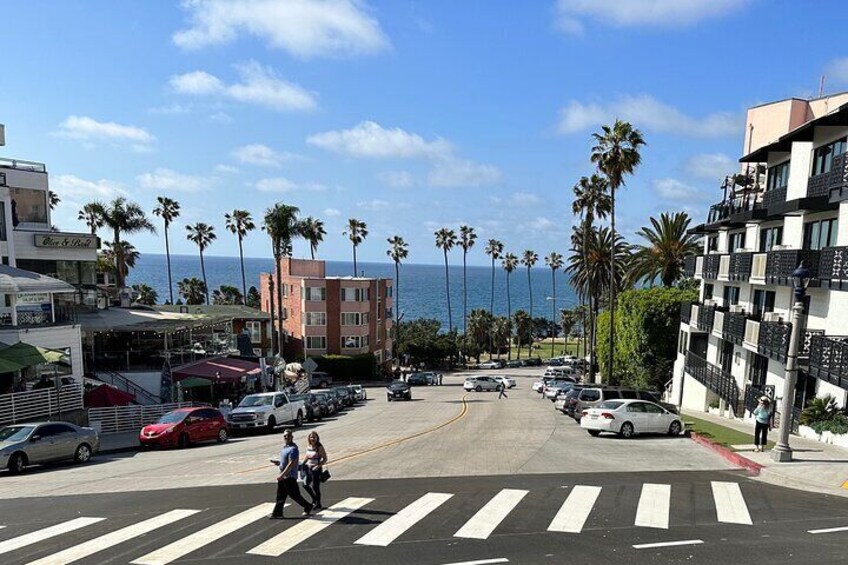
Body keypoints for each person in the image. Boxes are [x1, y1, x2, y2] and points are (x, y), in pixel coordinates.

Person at [270, 429, 313, 519]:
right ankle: (277, 513)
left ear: (292, 437)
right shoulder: (284, 448)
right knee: (280, 495)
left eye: (288, 436)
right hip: (283, 476)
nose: (286, 437)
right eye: (285, 436)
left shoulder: (293, 449)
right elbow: (285, 462)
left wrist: (282, 474)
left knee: (294, 495)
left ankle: (308, 506)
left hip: (289, 476)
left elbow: (292, 463)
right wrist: (278, 463)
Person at [302, 431, 328, 510]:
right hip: (309, 468)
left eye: (314, 437)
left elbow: (325, 458)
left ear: (317, 438)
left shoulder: (319, 447)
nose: (312, 438)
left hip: (316, 469)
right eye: (311, 437)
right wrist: (303, 463)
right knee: (305, 484)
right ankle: (314, 498)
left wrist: (318, 466)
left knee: (315, 487)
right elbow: (307, 456)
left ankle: (318, 503)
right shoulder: (308, 446)